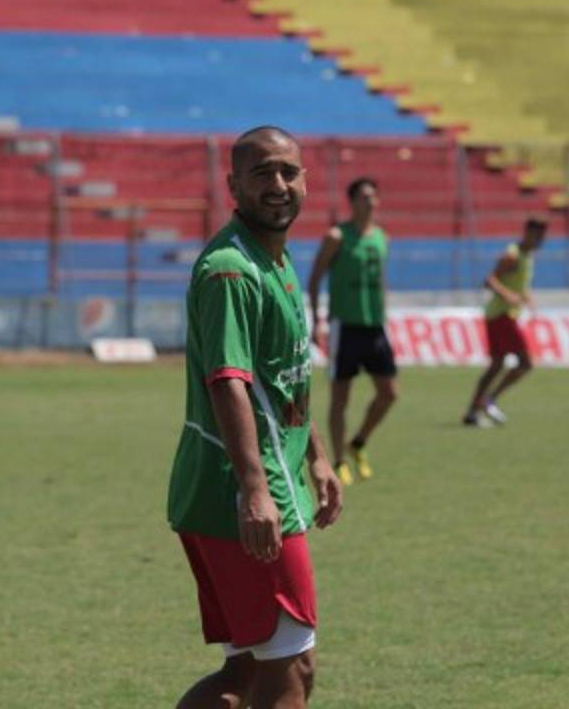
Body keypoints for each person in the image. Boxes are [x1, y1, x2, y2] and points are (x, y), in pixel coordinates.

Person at [168, 126, 344, 709]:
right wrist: (255, 490)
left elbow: (282, 379)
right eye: (262, 173)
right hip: (243, 492)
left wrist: (316, 455)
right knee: (292, 673)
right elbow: (230, 383)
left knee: (246, 677)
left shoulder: (276, 261)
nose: (278, 185)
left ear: (306, 183)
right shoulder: (230, 271)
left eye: (288, 172)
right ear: (234, 186)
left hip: (260, 483)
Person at [306, 177, 398, 486]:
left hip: (374, 327)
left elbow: (381, 279)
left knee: (389, 393)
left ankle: (358, 443)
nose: (370, 202)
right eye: (363, 197)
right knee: (340, 398)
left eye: (374, 196)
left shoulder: (382, 238)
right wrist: (317, 320)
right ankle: (339, 460)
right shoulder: (336, 236)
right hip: (344, 327)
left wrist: (385, 312)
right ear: (352, 202)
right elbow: (315, 277)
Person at [463, 217, 548, 427]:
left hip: (503, 315)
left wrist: (526, 295)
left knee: (496, 365)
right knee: (526, 362)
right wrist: (508, 295)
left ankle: (472, 413)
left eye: (543, 237)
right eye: (538, 235)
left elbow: (517, 282)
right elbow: (489, 280)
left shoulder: (528, 257)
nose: (540, 240)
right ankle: (489, 400)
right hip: (502, 315)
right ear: (528, 233)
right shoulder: (512, 255)